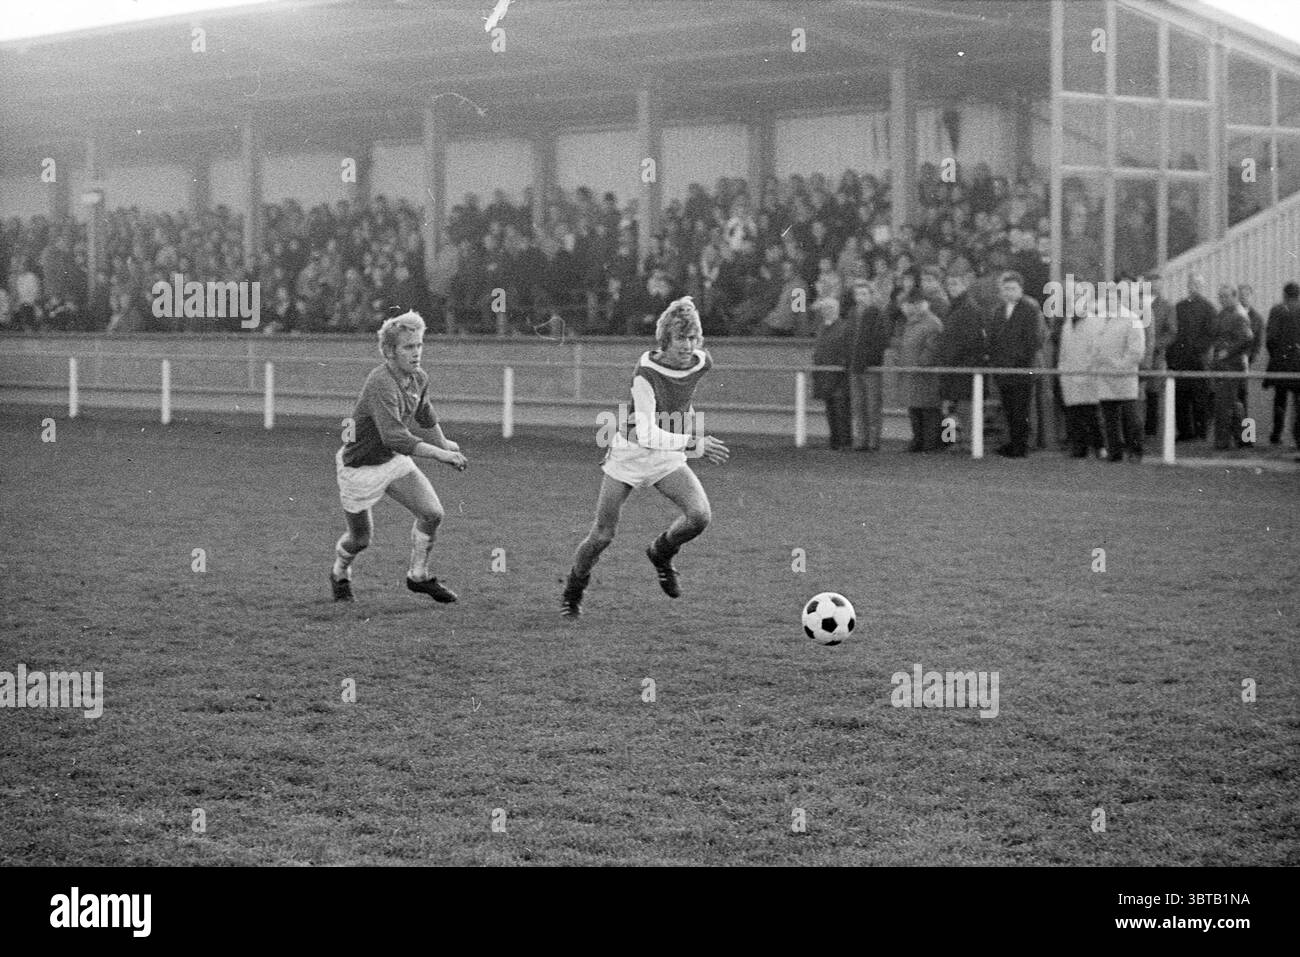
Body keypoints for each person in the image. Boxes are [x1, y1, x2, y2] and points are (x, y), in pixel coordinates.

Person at [560, 297, 729, 618]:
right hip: (631, 452)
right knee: (602, 535)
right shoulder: (645, 374)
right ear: (665, 340)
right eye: (680, 338)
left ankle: (661, 553)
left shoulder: (701, 362)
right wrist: (695, 443)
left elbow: (683, 395)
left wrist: (685, 417)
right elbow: (648, 433)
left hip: (667, 453)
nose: (688, 346)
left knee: (699, 516)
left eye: (693, 338)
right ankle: (573, 590)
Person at [330, 311, 468, 603]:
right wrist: (441, 455)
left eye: (419, 345)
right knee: (360, 540)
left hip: (391, 460)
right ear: (390, 352)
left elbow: (425, 414)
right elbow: (395, 436)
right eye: (408, 347)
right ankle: (339, 572)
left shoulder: (418, 377)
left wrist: (444, 443)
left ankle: (418, 576)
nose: (416, 353)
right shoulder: (381, 382)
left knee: (432, 514)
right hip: (359, 467)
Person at [988, 271, 1044, 457]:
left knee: (1021, 410)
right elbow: (993, 339)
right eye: (1005, 289)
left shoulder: (1030, 308)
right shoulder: (998, 310)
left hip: (1022, 369)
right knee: (1009, 410)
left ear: (1021, 289)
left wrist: (1016, 362)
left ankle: (1021, 446)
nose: (1008, 292)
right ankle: (1013, 443)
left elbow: (1033, 340)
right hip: (1003, 370)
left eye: (1012, 288)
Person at [1095, 298, 1146, 461]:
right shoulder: (1099, 320)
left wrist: (1118, 365)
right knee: (1109, 418)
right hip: (1104, 376)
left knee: (1131, 417)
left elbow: (1137, 351)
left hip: (1124, 376)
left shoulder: (1133, 319)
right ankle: (1114, 452)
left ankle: (1136, 451)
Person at [896, 289, 945, 451]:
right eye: (912, 303)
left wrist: (921, 364)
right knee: (915, 409)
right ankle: (918, 441)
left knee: (929, 410)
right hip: (911, 373)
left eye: (918, 303)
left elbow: (932, 348)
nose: (915, 307)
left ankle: (930, 444)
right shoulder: (911, 323)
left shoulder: (932, 323)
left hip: (925, 375)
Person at [1170, 274, 1216, 440]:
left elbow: (1210, 335)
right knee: (1180, 398)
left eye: (1197, 284)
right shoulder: (1179, 307)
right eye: (1191, 284)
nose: (1194, 287)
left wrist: (1197, 349)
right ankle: (1184, 432)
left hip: (1199, 361)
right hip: (1181, 361)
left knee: (1199, 399)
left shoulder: (1208, 308)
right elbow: (1174, 332)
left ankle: (1200, 431)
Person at [1209, 284, 1254, 450]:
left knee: (1224, 405)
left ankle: (1222, 441)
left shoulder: (1238, 314)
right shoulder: (1224, 314)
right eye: (1220, 296)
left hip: (1232, 366)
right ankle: (1245, 439)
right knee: (1234, 404)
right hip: (1223, 365)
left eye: (1226, 296)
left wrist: (1227, 352)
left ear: (1234, 296)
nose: (1222, 300)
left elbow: (1247, 338)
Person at [1057, 301, 1105, 458]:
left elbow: (1097, 350)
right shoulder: (1067, 323)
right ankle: (1079, 448)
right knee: (1074, 414)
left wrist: (1089, 371)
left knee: (1091, 414)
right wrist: (1062, 370)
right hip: (1069, 376)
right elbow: (1064, 350)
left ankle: (1100, 447)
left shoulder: (1096, 322)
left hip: (1088, 375)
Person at [848, 278, 890, 451]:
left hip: (870, 367)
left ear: (871, 295)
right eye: (858, 293)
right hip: (855, 366)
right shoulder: (852, 314)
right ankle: (861, 439)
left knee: (872, 405)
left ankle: (873, 440)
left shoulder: (877, 314)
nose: (861, 297)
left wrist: (868, 359)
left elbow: (881, 341)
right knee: (858, 405)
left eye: (864, 293)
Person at [810, 293, 855, 450]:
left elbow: (847, 352)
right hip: (824, 375)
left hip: (839, 376)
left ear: (836, 309)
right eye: (824, 308)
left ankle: (844, 442)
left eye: (829, 308)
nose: (825, 311)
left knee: (841, 410)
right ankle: (835, 441)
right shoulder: (822, 328)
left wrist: (840, 367)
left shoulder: (844, 328)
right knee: (830, 411)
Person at [1140, 273, 1177, 436]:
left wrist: (1155, 345)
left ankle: (1151, 429)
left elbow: (1171, 332)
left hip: (1156, 357)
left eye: (1158, 285)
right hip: (1137, 354)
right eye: (1151, 284)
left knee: (1153, 393)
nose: (1155, 288)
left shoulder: (1167, 306)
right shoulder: (1137, 303)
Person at [1264, 281, 1300, 448]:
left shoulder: (1277, 310)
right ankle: (1297, 437)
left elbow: (1270, 338)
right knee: (1298, 403)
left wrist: (1276, 356)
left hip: (1280, 363)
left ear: (1284, 294)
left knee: (1280, 401)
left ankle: (1276, 434)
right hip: (1297, 364)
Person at [1238, 283, 1265, 446]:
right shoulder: (1232, 314)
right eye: (1241, 294)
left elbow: (1258, 343)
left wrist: (1249, 358)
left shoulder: (1256, 318)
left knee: (1246, 402)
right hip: (1232, 365)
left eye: (1246, 295)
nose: (1243, 297)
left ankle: (1247, 437)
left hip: (1247, 365)